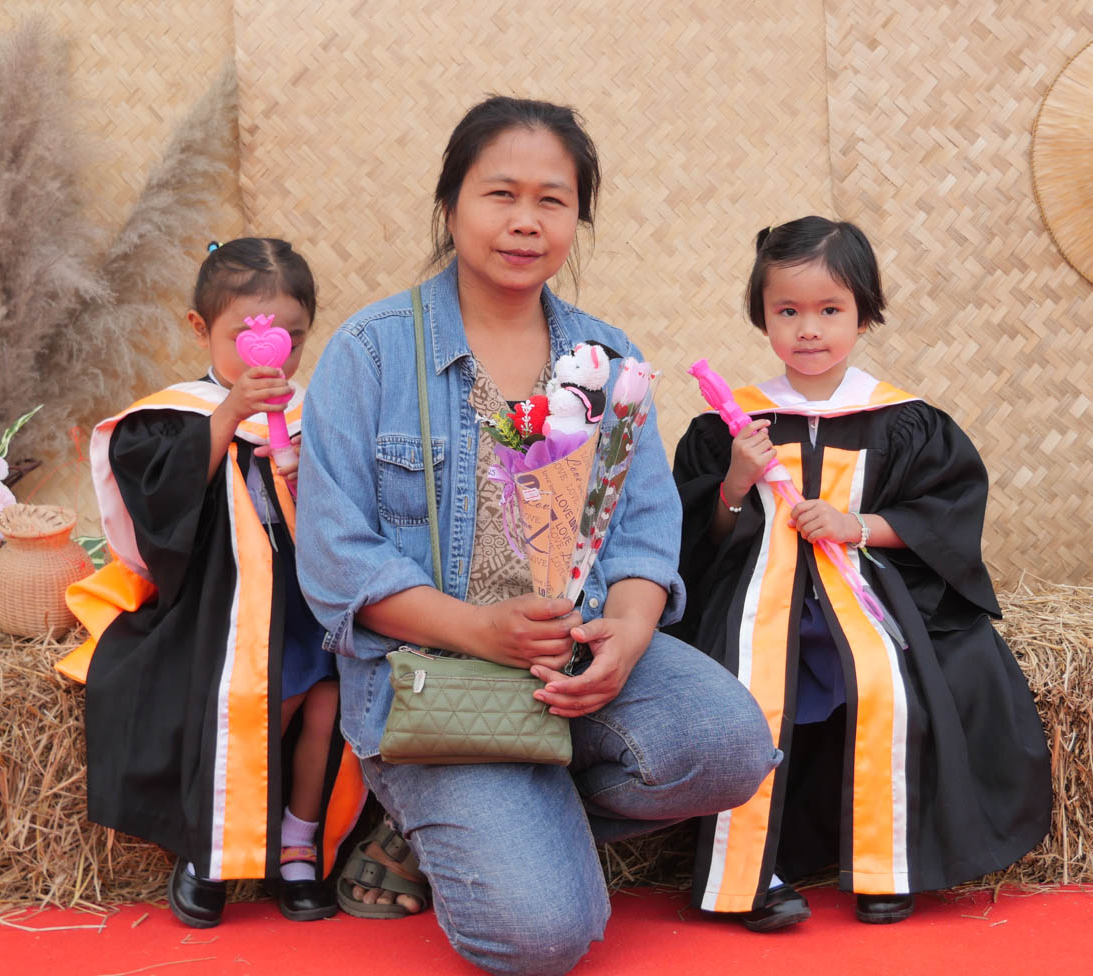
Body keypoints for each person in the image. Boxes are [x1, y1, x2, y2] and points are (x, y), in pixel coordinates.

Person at [295, 96, 778, 976]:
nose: (526, 221)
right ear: (451, 205)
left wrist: (628, 631)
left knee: (731, 746)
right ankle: (449, 823)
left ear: (576, 218)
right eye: (500, 194)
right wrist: (479, 630)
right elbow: (335, 560)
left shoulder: (605, 356)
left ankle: (505, 821)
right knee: (539, 941)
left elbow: (644, 529)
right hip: (433, 679)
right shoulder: (371, 354)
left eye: (552, 200)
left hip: (573, 657)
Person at [670, 216, 1051, 931]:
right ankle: (750, 872)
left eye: (830, 310)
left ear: (864, 315)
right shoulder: (731, 425)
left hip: (870, 590)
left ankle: (889, 863)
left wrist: (858, 526)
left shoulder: (904, 420)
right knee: (746, 681)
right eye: (788, 311)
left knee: (902, 676)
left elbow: (944, 516)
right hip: (759, 595)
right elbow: (698, 536)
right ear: (763, 317)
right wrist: (734, 482)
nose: (808, 329)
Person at [60, 239, 361, 927]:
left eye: (292, 339)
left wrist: (311, 476)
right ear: (200, 329)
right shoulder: (171, 417)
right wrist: (227, 417)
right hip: (221, 606)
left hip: (307, 600)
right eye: (247, 339)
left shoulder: (318, 414)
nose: (273, 357)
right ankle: (212, 846)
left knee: (330, 705)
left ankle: (298, 842)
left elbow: (355, 512)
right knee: (262, 701)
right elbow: (159, 511)